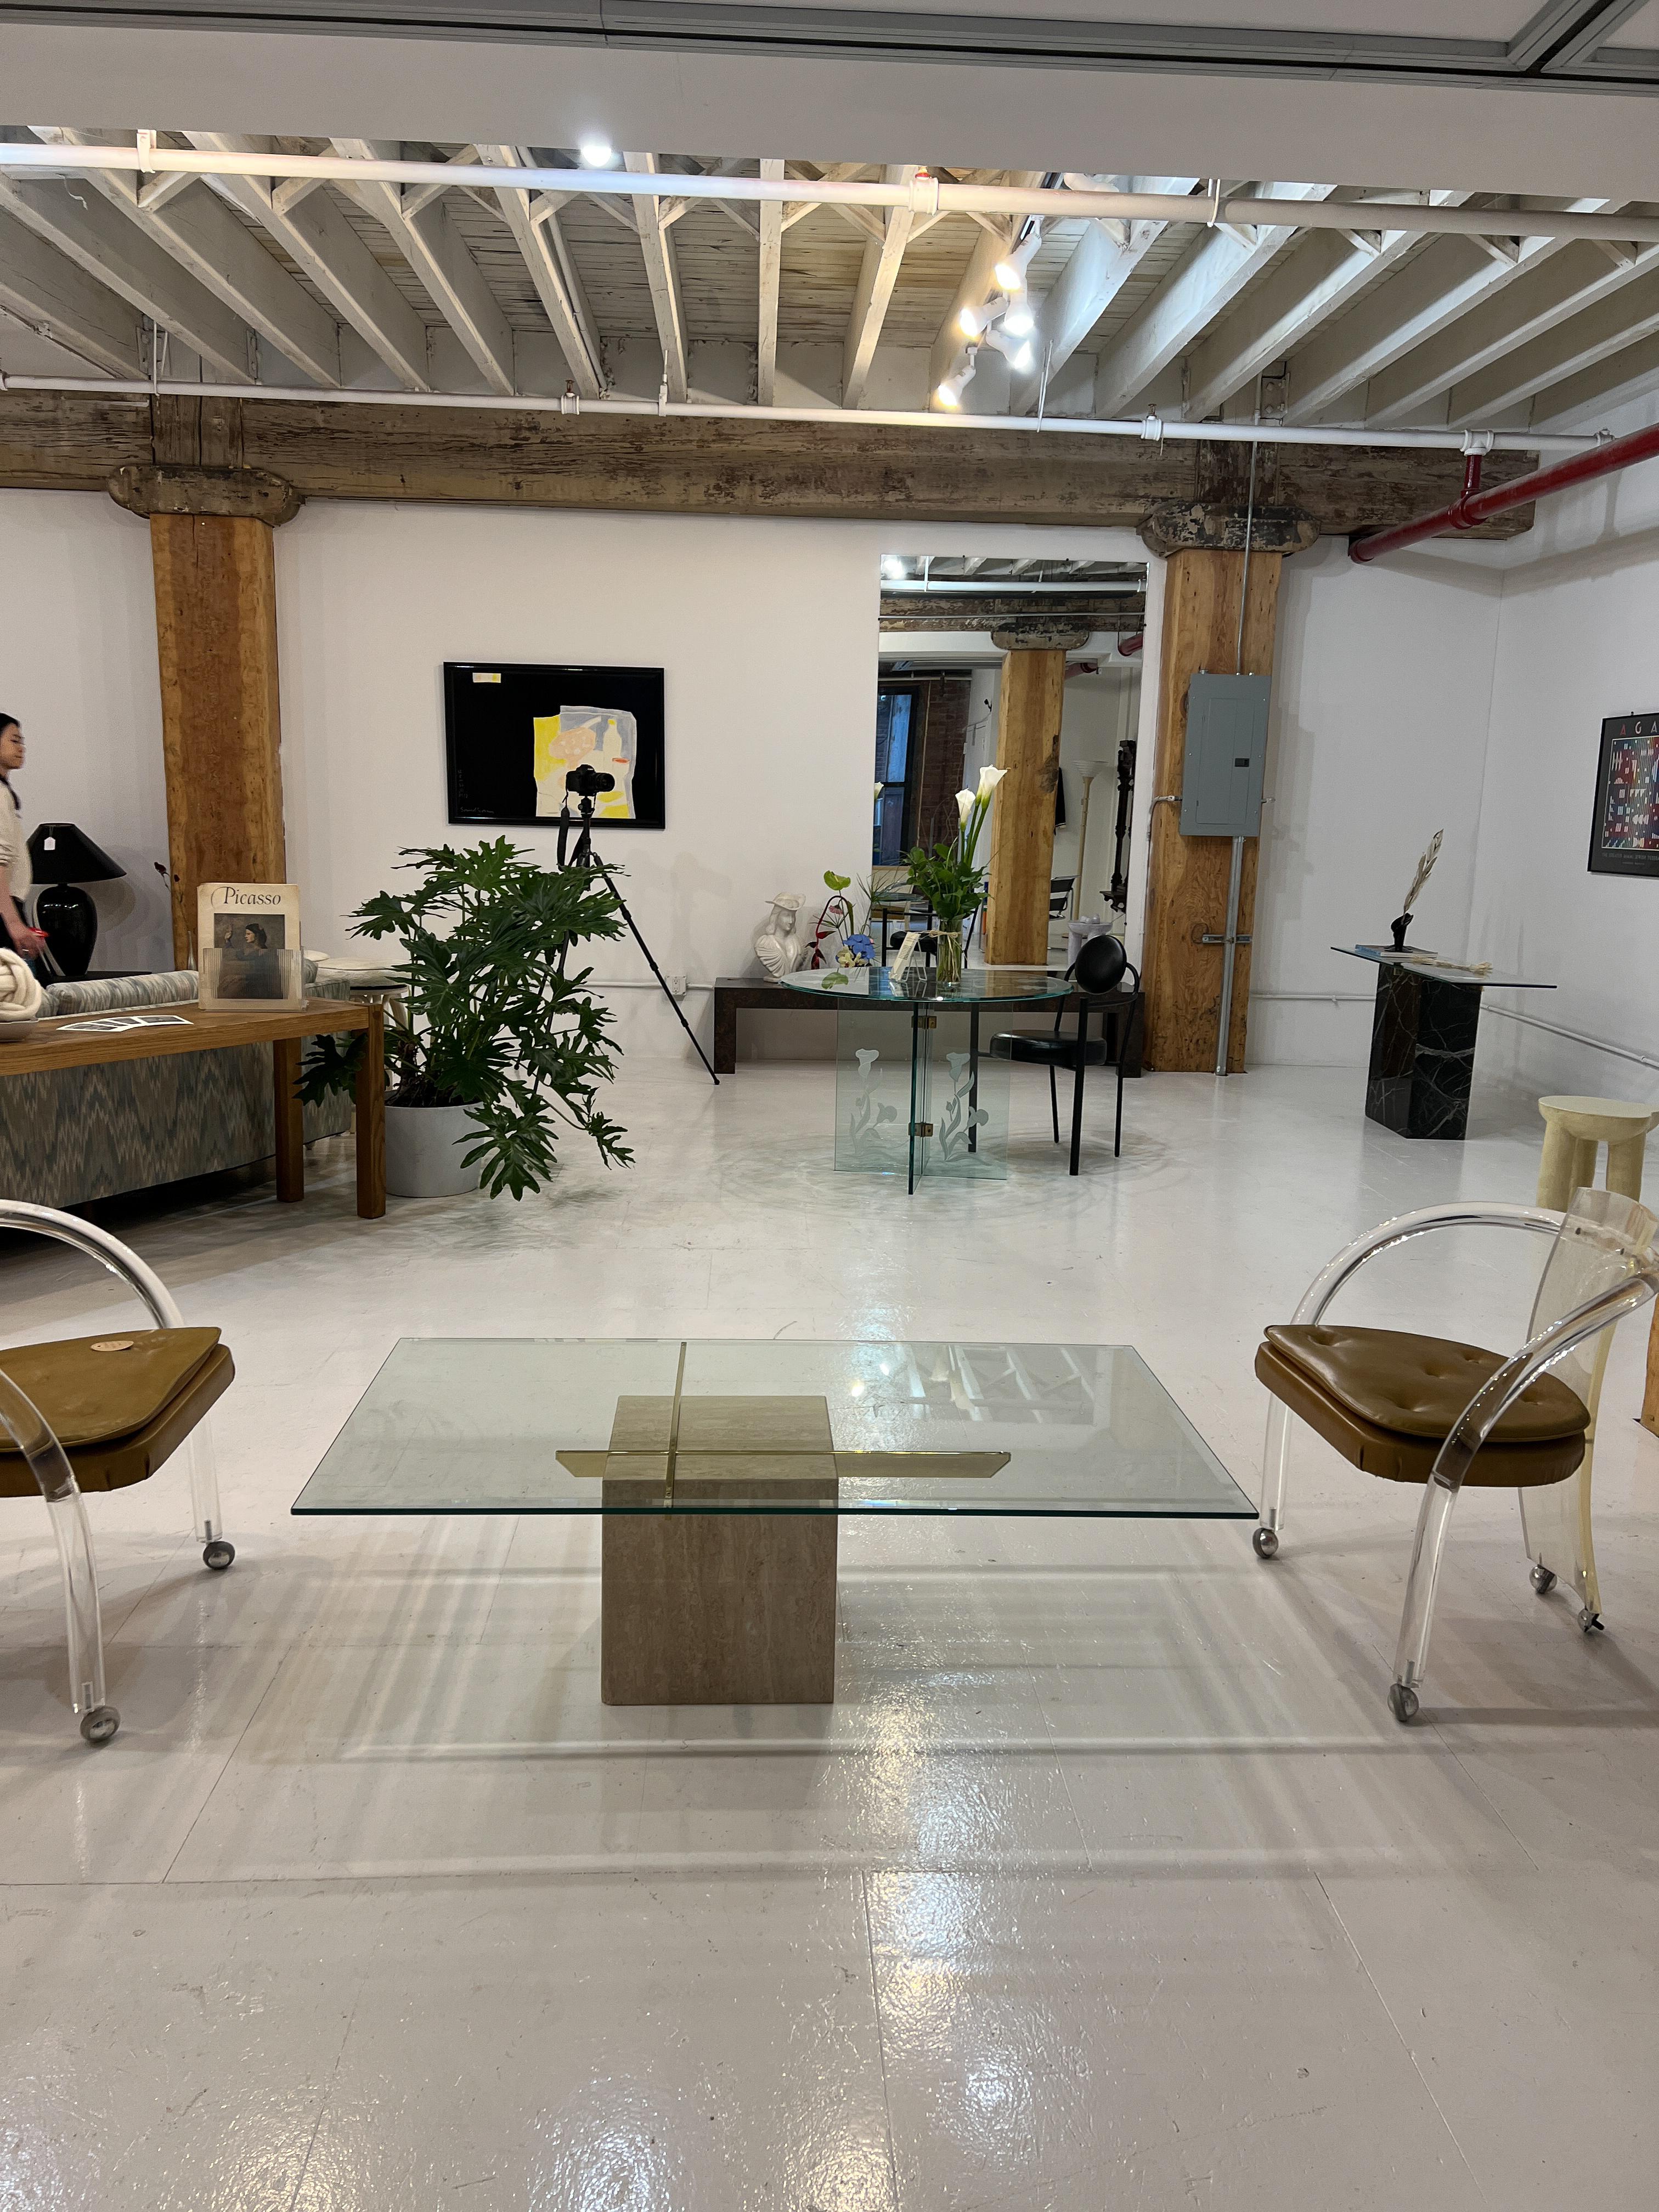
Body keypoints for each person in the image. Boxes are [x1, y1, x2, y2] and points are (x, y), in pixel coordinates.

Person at [0, 714, 48, 970]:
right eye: (14, 740)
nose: (22, 748)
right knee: (22, 1000)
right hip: (3, 912)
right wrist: (15, 924)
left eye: (23, 741)